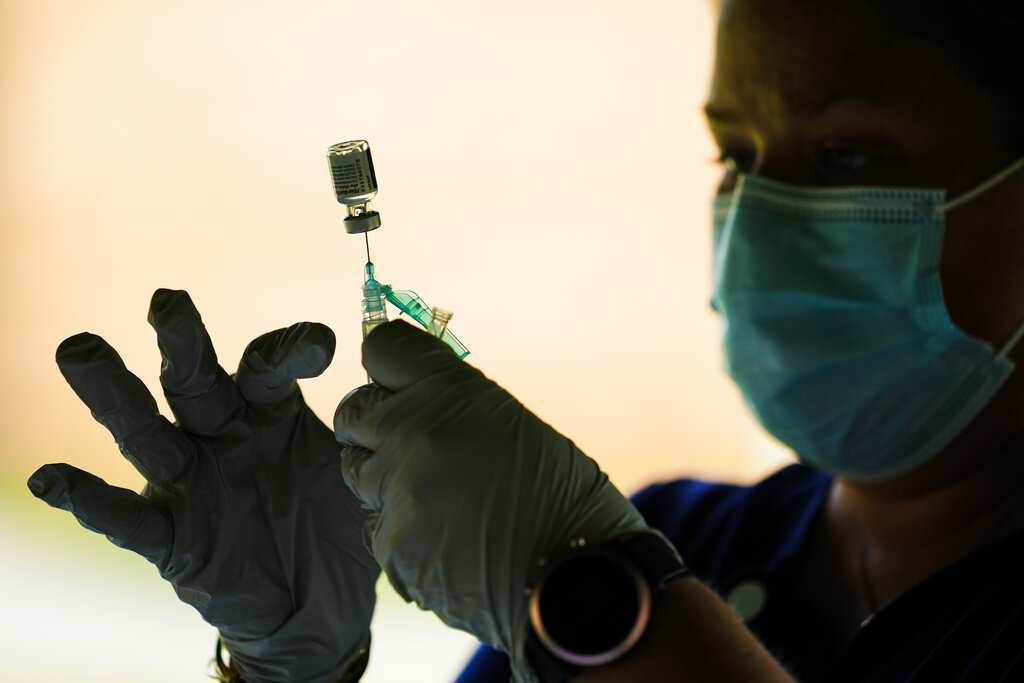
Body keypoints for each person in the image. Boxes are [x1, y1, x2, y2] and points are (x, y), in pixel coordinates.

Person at [28, 0, 1024, 680]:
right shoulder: (687, 537)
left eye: (848, 154)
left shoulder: (604, 569)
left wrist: (610, 607)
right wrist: (292, 666)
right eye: (735, 155)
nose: (761, 217)